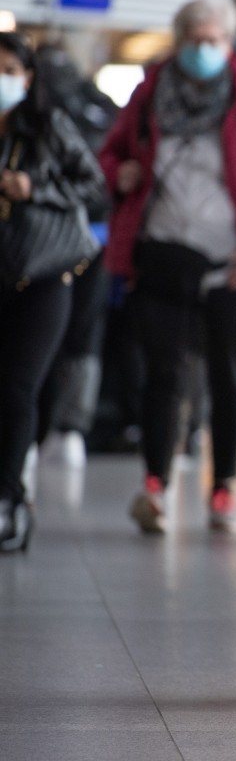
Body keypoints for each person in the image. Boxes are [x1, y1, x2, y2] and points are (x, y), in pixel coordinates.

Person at [98, 0, 236, 533]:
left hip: (229, 265)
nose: (204, 48)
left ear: (229, 43)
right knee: (164, 374)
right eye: (195, 37)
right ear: (179, 38)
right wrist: (118, 173)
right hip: (160, 257)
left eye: (215, 38)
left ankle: (224, 488)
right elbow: (109, 153)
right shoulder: (147, 98)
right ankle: (155, 488)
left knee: (225, 375)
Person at [0, 31, 106, 553]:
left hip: (42, 280)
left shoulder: (47, 128)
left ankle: (9, 499)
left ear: (27, 77)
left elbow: (95, 187)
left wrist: (34, 188)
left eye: (9, 71)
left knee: (19, 388)